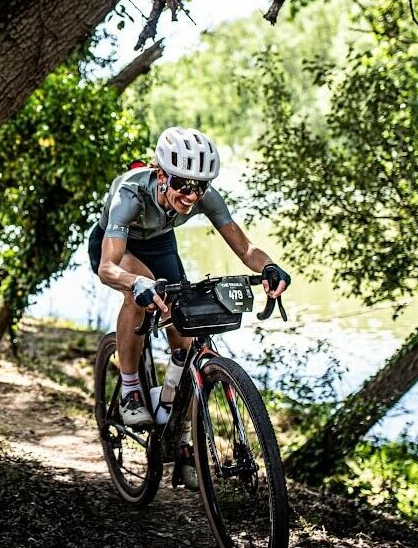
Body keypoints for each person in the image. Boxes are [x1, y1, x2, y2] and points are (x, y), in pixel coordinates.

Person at [89, 127, 291, 487]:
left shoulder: (204, 196)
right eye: (183, 184)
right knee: (144, 293)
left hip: (160, 244)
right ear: (162, 174)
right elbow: (109, 267)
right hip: (118, 250)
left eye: (200, 186)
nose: (192, 195)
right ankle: (131, 386)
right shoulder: (131, 195)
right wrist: (135, 284)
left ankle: (180, 436)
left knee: (187, 336)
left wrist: (269, 267)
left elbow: (245, 248)